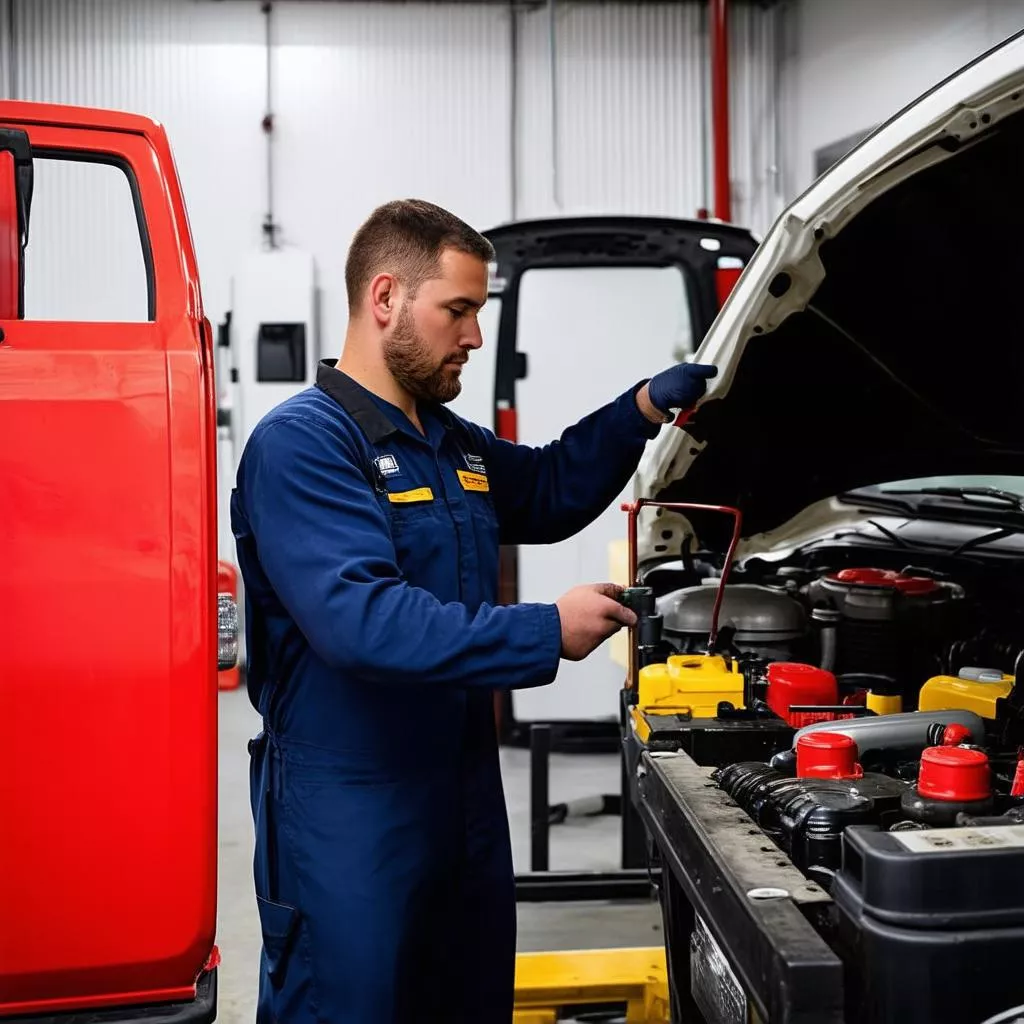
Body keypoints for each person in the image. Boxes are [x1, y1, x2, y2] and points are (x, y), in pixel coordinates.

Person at [231, 199, 717, 1024]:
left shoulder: (448, 441)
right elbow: (363, 621)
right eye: (457, 310)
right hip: (350, 807)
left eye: (479, 312)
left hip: (458, 794)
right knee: (355, 1005)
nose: (474, 336)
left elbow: (551, 487)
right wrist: (543, 630)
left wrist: (638, 410)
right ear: (385, 298)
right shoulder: (305, 444)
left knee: (465, 998)